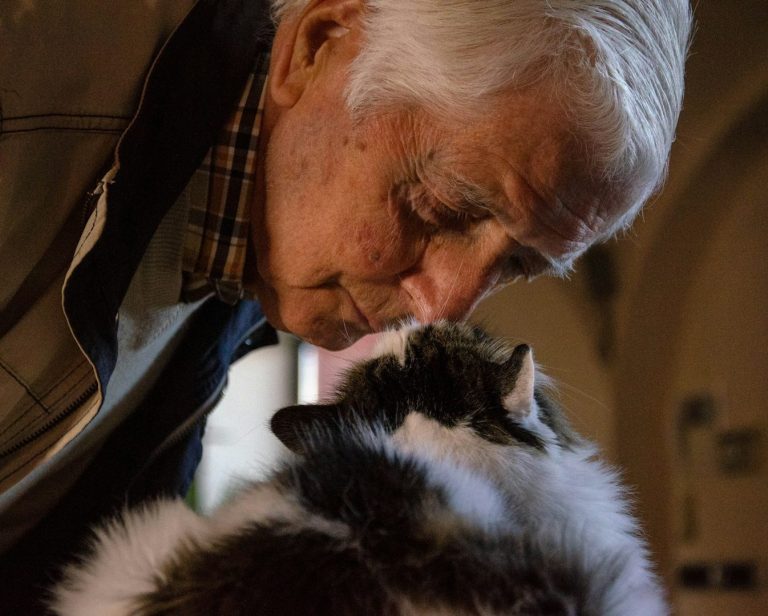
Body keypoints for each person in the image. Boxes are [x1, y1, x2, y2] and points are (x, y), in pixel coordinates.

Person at [0, 0, 691, 609]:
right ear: (316, 45)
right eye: (441, 205)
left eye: (518, 264)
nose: (444, 307)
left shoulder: (249, 259)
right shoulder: (27, 69)